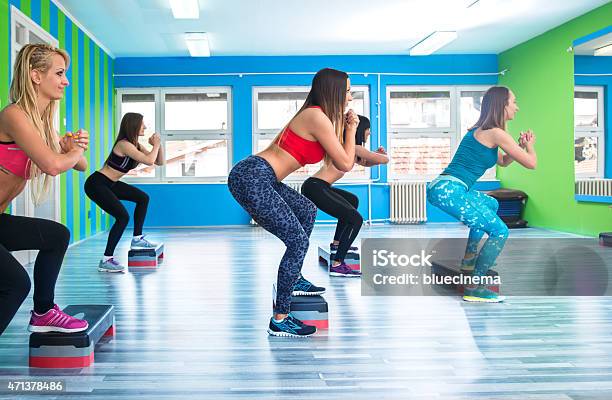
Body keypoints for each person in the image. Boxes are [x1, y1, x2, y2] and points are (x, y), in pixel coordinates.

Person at [228, 68, 358, 337]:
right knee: (298, 241)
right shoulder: (316, 116)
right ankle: (280, 318)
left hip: (263, 177)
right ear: (334, 92)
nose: (350, 95)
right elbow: (345, 163)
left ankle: (294, 276)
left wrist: (347, 131)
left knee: (307, 209)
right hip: (253, 176)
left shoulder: (319, 118)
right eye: (347, 91)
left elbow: (340, 160)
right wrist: (352, 128)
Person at [0, 44, 90, 335]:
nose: (66, 81)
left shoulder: (41, 123)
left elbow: (80, 165)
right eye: (60, 73)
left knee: (56, 235)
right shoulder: (14, 115)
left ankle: (43, 312)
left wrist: (72, 149)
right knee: (16, 283)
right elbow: (53, 165)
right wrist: (71, 152)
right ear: (36, 76)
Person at [427, 86, 537, 303]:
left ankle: (468, 261)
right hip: (451, 189)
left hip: (445, 187)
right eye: (514, 102)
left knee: (491, 204)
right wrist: (530, 147)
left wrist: (517, 147)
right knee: (500, 231)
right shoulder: (496, 133)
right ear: (502, 105)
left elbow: (504, 161)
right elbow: (531, 163)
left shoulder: (480, 131)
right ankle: (474, 287)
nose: (517, 106)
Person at [301, 115, 388, 277]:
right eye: (368, 130)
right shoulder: (354, 148)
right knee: (355, 219)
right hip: (316, 187)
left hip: (317, 186)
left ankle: (337, 244)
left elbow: (367, 161)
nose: (369, 134)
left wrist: (375, 155)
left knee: (352, 201)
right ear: (361, 130)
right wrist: (383, 155)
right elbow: (383, 160)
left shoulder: (350, 150)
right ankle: (338, 264)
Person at [84, 113, 164, 273]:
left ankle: (137, 239)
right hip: (97, 183)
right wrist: (155, 145)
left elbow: (158, 161)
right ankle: (106, 260)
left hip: (110, 184)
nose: (145, 127)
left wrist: (158, 145)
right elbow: (149, 161)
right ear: (133, 125)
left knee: (143, 198)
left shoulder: (135, 145)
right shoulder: (124, 144)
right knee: (122, 217)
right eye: (142, 124)